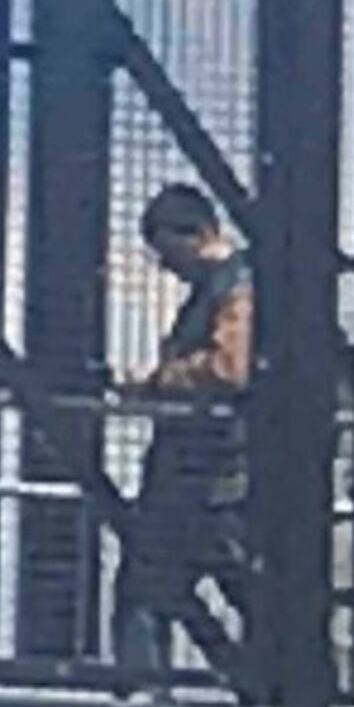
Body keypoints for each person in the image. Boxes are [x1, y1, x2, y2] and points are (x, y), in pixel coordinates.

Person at [118, 182, 252, 676]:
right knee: (175, 583)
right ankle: (263, 681)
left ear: (196, 235)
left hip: (210, 475)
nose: (165, 265)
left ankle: (146, 697)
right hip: (212, 476)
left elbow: (230, 367)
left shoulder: (234, 287)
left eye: (166, 251)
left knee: (151, 587)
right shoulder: (225, 288)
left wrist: (159, 382)